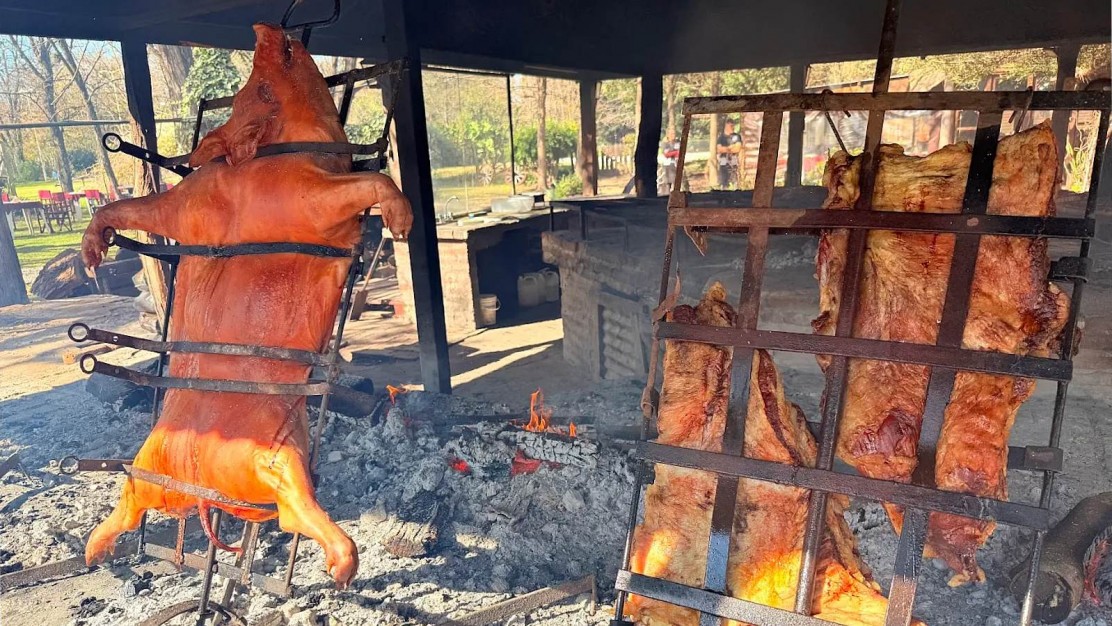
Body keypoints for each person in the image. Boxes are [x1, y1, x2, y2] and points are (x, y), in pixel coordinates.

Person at [716, 119, 743, 190]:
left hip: (733, 158)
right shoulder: (721, 138)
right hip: (723, 159)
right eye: (730, 126)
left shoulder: (737, 136)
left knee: (734, 175)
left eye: (733, 126)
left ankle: (735, 188)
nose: (732, 128)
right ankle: (724, 189)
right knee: (723, 175)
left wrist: (726, 149)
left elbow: (737, 148)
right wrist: (730, 147)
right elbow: (719, 149)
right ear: (726, 126)